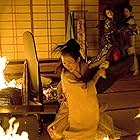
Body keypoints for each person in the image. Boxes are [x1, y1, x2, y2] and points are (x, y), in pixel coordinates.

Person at [47, 39, 122, 140]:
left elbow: (88, 87)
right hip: (71, 103)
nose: (67, 66)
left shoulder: (84, 66)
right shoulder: (66, 75)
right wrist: (98, 74)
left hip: (85, 101)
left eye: (70, 62)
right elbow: (85, 88)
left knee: (96, 121)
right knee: (59, 132)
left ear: (78, 60)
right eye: (64, 63)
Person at [122, 5, 139, 75]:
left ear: (130, 12)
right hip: (127, 38)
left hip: (130, 38)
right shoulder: (126, 19)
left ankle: (136, 69)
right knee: (129, 53)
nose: (125, 13)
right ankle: (132, 68)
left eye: (127, 11)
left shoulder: (131, 20)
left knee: (132, 53)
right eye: (124, 11)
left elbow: (134, 30)